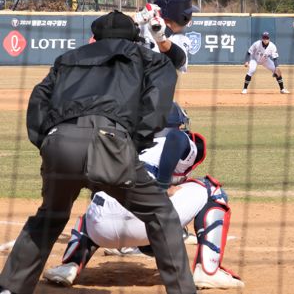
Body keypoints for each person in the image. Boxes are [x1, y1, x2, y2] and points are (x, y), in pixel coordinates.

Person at [0, 10, 195, 294]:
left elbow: (38, 101)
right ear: (133, 37)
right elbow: (157, 105)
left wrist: (46, 141)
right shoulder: (147, 58)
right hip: (112, 142)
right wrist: (133, 143)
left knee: (50, 216)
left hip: (59, 143)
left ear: (96, 35)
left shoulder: (67, 59)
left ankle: (10, 289)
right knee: (161, 215)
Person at [43, 103, 244, 290]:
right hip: (148, 220)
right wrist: (164, 184)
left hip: (101, 229)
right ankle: (208, 270)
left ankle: (70, 265)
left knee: (98, 203)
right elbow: (175, 139)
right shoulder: (181, 138)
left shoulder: (125, 138)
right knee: (212, 189)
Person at [134, 0, 198, 72]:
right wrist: (134, 20)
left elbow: (180, 61)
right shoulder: (141, 25)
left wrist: (161, 39)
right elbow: (111, 33)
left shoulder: (181, 38)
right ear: (181, 17)